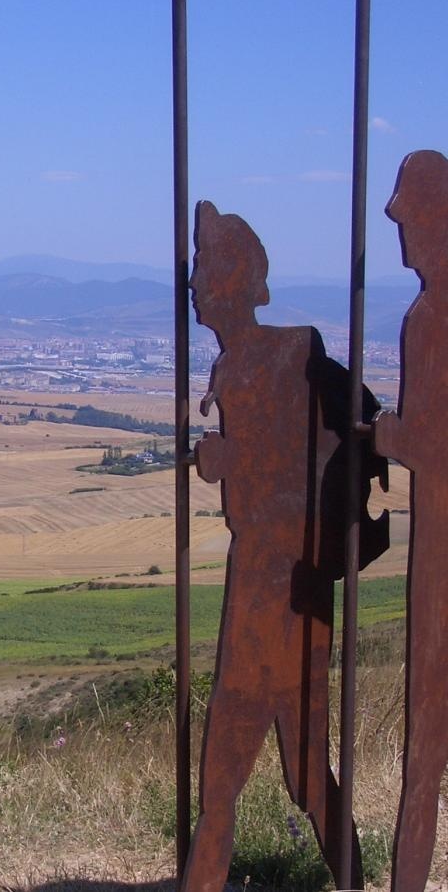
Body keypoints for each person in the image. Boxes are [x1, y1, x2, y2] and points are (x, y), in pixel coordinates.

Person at [183, 201, 387, 892]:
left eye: (204, 266)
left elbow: (272, 487)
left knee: (226, 780)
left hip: (268, 593)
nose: (194, 283)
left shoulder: (251, 367)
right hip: (300, 594)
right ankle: (354, 882)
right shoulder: (277, 356)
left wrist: (227, 461)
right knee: (304, 773)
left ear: (233, 279)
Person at [372, 149, 448, 892]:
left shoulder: (429, 320)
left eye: (412, 221)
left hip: (440, 555)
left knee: (426, 750)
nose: (403, 239)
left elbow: (430, 445)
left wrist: (386, 435)